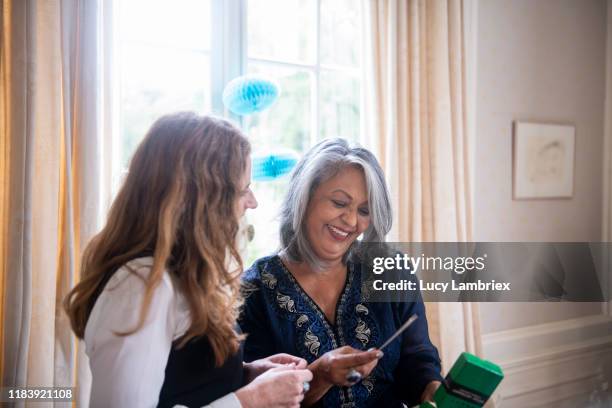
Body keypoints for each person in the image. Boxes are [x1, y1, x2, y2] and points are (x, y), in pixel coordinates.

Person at [64, 112, 312, 408]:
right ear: (202, 199)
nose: (253, 202)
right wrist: (252, 399)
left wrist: (245, 374)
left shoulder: (179, 275)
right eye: (243, 189)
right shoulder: (142, 283)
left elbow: (179, 382)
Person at [239, 138, 443, 407]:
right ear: (305, 197)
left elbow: (418, 360)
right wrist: (320, 375)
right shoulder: (254, 291)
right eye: (339, 202)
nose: (350, 221)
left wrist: (432, 389)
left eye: (363, 210)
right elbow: (256, 398)